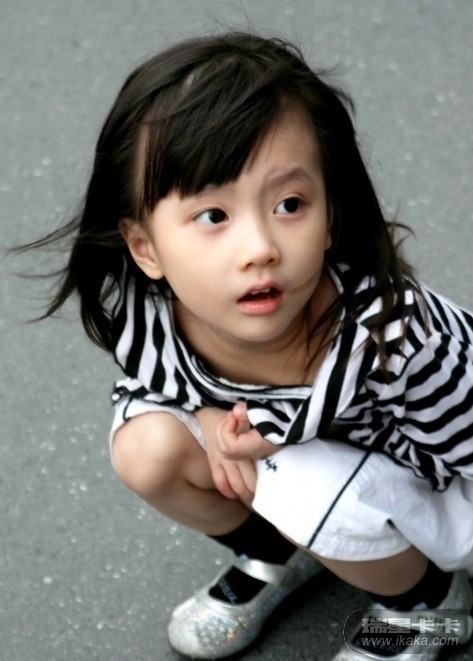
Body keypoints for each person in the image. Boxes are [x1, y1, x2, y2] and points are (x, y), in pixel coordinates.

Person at [19, 32, 473, 660]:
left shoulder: (399, 340)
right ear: (145, 247)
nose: (260, 247)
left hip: (436, 488)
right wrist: (208, 414)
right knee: (145, 448)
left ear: (330, 214)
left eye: (290, 204)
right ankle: (276, 553)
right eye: (213, 216)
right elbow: (155, 384)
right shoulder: (162, 317)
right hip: (326, 479)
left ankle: (429, 605)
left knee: (296, 487)